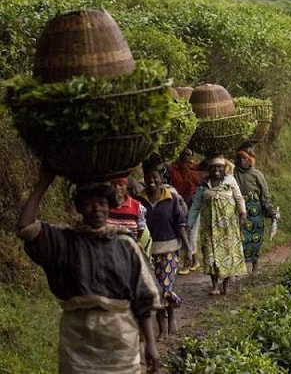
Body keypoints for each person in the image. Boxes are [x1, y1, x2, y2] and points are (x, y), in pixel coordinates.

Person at [17, 168, 162, 373]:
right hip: (77, 338)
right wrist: (44, 183)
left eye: (102, 203)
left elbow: (143, 297)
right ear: (80, 208)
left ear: (109, 207)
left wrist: (151, 345)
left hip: (119, 338)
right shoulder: (65, 241)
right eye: (89, 204)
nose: (97, 209)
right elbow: (25, 227)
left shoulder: (125, 244)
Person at [135, 159, 192, 340]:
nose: (151, 181)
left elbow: (180, 224)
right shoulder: (138, 200)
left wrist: (188, 248)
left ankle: (171, 317)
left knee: (164, 287)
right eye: (147, 177)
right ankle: (162, 327)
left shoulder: (171, 198)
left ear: (161, 179)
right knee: (156, 290)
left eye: (155, 177)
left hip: (169, 250)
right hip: (147, 252)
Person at [187, 156, 248, 295]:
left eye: (219, 166)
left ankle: (226, 284)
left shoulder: (230, 181)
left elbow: (239, 198)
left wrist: (243, 214)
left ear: (224, 168)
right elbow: (196, 206)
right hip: (209, 227)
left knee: (229, 253)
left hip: (228, 226)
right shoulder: (204, 185)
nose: (217, 169)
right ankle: (214, 285)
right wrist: (189, 224)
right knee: (210, 255)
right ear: (209, 169)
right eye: (214, 167)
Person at [233, 147, 280, 273]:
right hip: (239, 208)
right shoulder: (233, 173)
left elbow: (264, 193)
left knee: (255, 237)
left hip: (254, 210)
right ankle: (239, 266)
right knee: (240, 238)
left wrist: (269, 208)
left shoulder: (256, 174)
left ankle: (255, 264)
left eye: (244, 158)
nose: (241, 161)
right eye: (239, 158)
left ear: (250, 160)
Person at [167, 148, 204, 272]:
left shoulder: (194, 168)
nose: (188, 157)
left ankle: (188, 262)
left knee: (191, 230)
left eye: (190, 154)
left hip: (193, 201)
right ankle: (194, 260)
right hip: (179, 201)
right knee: (182, 229)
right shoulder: (172, 168)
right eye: (185, 154)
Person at [108, 177, 152, 256]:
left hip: (130, 254)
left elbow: (142, 233)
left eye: (121, 185)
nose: (117, 188)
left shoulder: (137, 207)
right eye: (114, 184)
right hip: (109, 253)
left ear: (127, 186)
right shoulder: (105, 206)